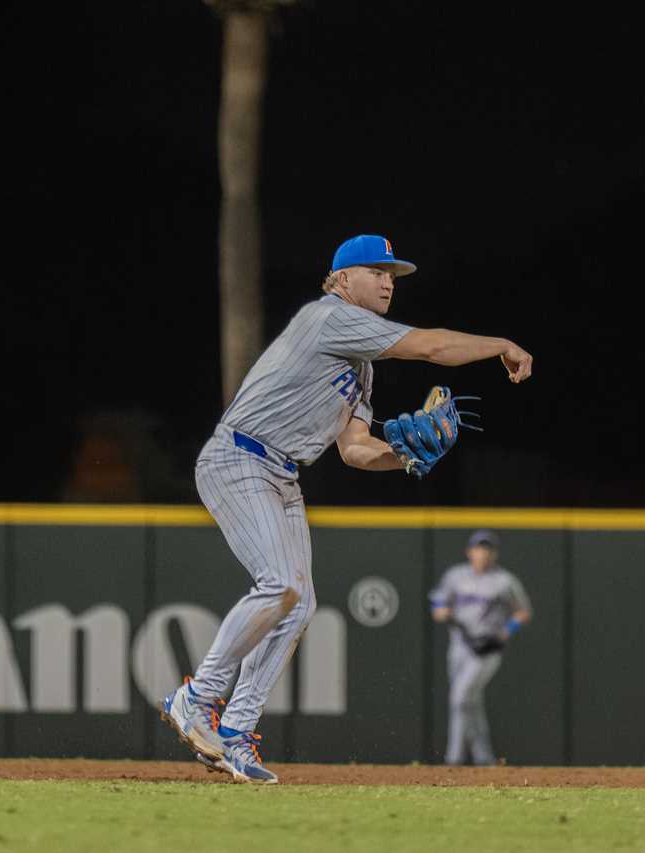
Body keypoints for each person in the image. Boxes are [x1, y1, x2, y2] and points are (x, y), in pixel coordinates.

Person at [160, 235, 533, 783]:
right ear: (341, 278)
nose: (388, 281)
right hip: (238, 456)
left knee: (299, 601)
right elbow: (429, 348)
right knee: (281, 583)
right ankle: (197, 696)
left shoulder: (361, 367)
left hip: (280, 472)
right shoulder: (329, 317)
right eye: (377, 270)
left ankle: (236, 732)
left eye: (394, 274)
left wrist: (404, 455)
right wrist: (500, 343)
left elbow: (355, 450)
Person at [429, 529, 533, 766]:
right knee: (471, 703)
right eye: (478, 549)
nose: (482, 554)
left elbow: (523, 611)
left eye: (487, 549)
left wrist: (507, 631)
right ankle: (484, 758)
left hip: (487, 649)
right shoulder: (455, 576)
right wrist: (441, 610)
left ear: (494, 554)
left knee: (459, 697)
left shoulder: (504, 580)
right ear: (469, 552)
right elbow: (437, 600)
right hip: (460, 646)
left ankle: (453, 759)